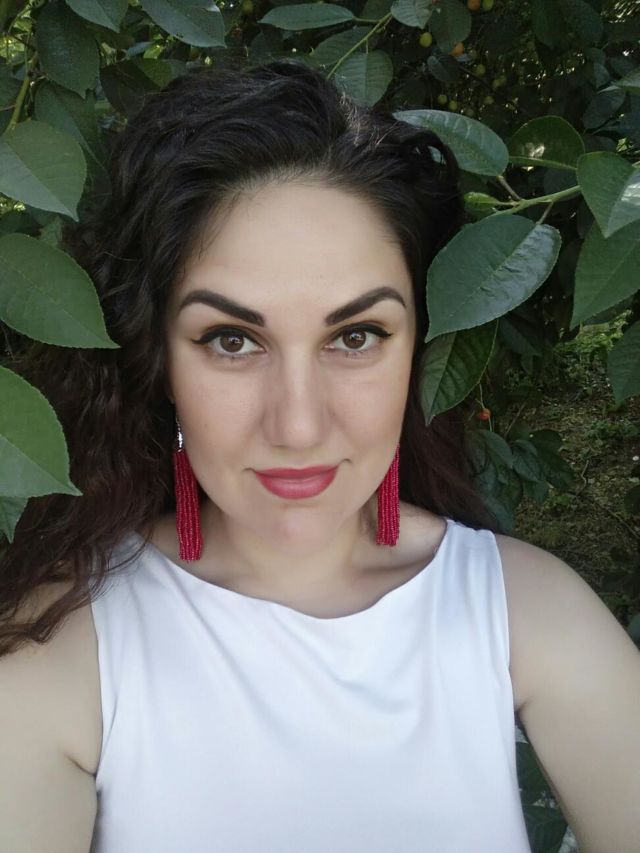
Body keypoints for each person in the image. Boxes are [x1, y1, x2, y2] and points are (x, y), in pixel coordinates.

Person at [0, 58, 638, 853]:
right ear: (157, 361)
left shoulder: (527, 611)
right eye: (231, 340)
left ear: (418, 349)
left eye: (357, 335)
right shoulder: (64, 647)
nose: (298, 425)